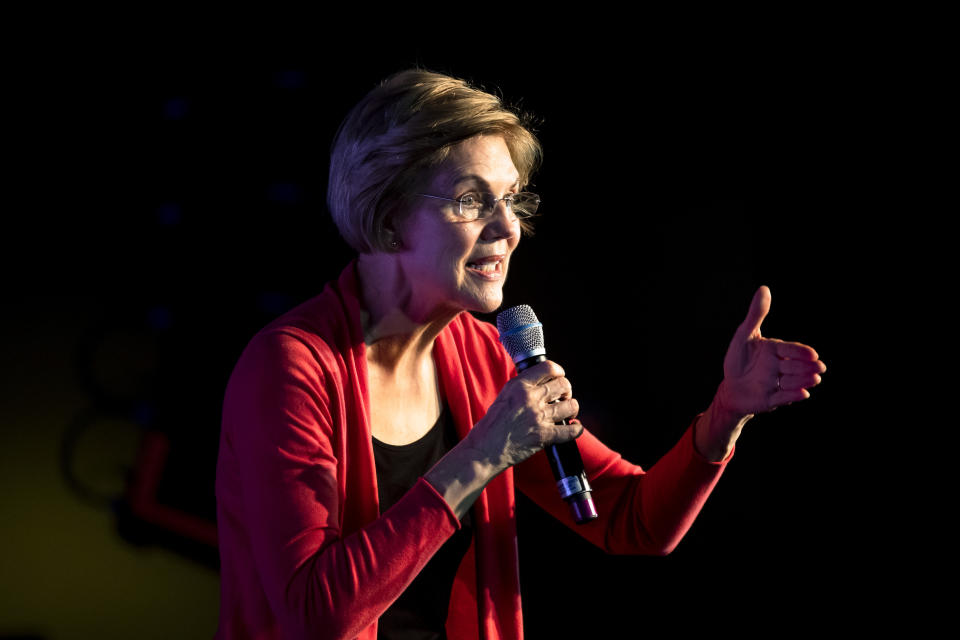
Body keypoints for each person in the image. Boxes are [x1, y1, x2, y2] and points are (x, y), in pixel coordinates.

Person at [214, 69, 826, 640]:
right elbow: (313, 614)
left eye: (512, 198)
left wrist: (725, 414)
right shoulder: (291, 366)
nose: (509, 228)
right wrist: (483, 453)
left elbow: (630, 520)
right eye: (472, 199)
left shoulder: (486, 356)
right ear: (389, 213)